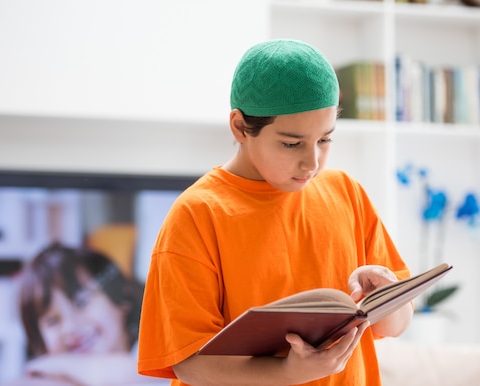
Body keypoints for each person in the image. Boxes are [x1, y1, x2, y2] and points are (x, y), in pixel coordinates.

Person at [137, 39, 413, 385]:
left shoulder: (347, 193)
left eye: (325, 140)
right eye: (291, 143)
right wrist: (287, 373)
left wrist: (388, 297)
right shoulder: (197, 215)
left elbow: (397, 325)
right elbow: (188, 362)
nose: (312, 162)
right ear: (239, 127)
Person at [11, 242, 166, 386]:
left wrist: (62, 365)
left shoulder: (155, 346)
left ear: (121, 297)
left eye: (82, 303)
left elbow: (144, 373)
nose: (70, 327)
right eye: (52, 321)